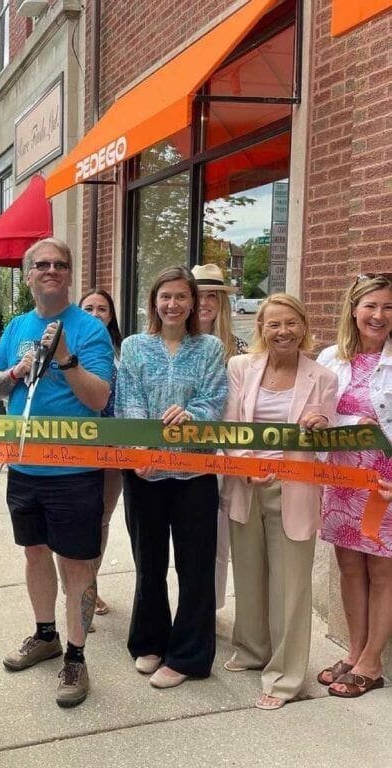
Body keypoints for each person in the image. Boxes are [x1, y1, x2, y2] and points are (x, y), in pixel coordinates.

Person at [0, 237, 112, 708]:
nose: (51, 271)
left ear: (70, 275)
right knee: (35, 555)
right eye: (42, 265)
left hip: (75, 471)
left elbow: (99, 398)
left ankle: (76, 655)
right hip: (24, 467)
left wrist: (64, 359)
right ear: (28, 274)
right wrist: (17, 371)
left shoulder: (89, 329)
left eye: (60, 264)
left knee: (76, 565)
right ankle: (45, 636)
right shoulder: (18, 325)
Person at [220, 293, 337, 710]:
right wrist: (245, 463)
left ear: (303, 326)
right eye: (273, 324)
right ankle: (252, 650)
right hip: (247, 483)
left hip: (296, 489)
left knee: (290, 587)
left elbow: (327, 438)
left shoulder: (322, 378)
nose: (282, 331)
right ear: (261, 329)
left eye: (290, 323)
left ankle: (286, 677)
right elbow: (230, 426)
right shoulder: (240, 368)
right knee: (249, 575)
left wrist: (323, 423)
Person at [115, 265, 227, 689]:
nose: (173, 304)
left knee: (195, 566)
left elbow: (215, 399)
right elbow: (129, 402)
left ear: (194, 303)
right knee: (150, 563)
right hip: (146, 474)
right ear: (154, 302)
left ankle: (189, 656)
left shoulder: (211, 348)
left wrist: (192, 415)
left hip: (194, 473)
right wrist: (141, 451)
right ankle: (150, 640)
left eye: (182, 296)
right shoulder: (135, 347)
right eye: (166, 296)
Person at [316, 273, 392, 698]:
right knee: (348, 566)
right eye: (371, 306)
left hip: (385, 482)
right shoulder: (331, 358)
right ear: (353, 308)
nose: (379, 315)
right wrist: (347, 424)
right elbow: (316, 417)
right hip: (342, 481)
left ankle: (372, 660)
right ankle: (356, 649)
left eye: (388, 307)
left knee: (382, 571)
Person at [191, 263, 247, 610]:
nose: (205, 303)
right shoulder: (179, 342)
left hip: (227, 451)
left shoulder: (238, 348)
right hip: (188, 450)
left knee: (218, 536)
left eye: (213, 296)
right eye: (198, 295)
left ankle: (208, 607)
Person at [79, 287, 123, 621]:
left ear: (112, 316)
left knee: (102, 519)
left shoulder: (124, 353)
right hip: (76, 450)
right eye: (89, 308)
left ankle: (89, 587)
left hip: (112, 451)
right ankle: (77, 591)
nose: (95, 314)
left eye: (102, 309)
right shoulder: (69, 348)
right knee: (76, 519)